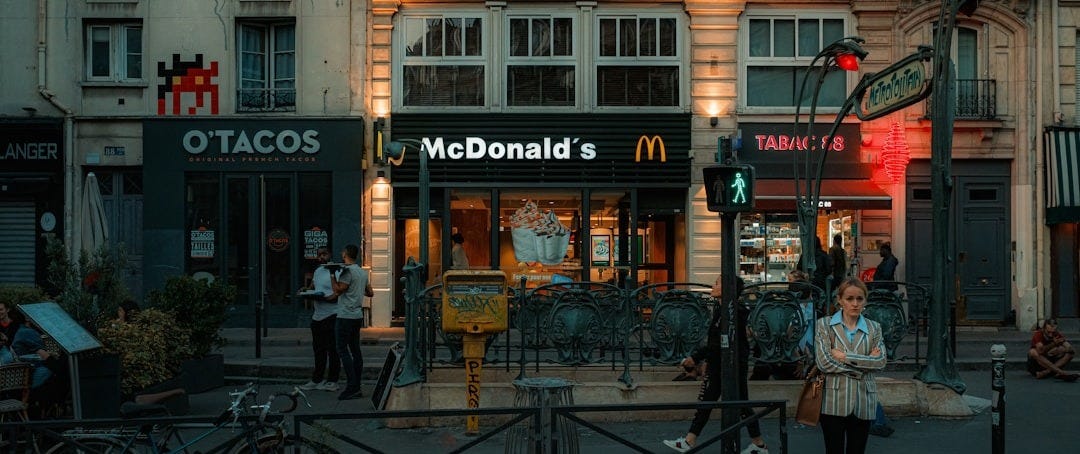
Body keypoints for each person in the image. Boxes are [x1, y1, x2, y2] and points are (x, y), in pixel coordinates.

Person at [663, 275, 769, 454]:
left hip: (729, 364)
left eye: (718, 282)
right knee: (714, 401)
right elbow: (717, 341)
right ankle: (690, 440)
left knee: (737, 403)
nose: (713, 285)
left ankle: (758, 445)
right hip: (722, 363)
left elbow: (721, 342)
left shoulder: (734, 311)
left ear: (727, 288)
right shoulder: (724, 309)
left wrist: (696, 358)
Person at [813, 277, 887, 454]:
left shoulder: (874, 328)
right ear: (840, 300)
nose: (855, 303)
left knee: (857, 450)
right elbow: (824, 362)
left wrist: (844, 356)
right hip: (833, 400)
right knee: (834, 450)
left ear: (865, 301)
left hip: (864, 400)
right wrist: (863, 364)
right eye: (849, 299)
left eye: (859, 299)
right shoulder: (824, 325)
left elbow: (881, 361)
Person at [330, 244, 374, 400]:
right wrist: (358, 289)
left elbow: (337, 290)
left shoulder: (347, 272)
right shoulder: (362, 273)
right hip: (357, 315)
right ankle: (357, 385)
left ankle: (352, 386)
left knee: (342, 349)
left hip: (345, 315)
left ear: (345, 254)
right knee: (355, 350)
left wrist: (332, 275)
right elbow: (370, 293)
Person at [299, 247, 342, 392]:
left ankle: (332, 380)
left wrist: (327, 298)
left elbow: (339, 292)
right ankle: (317, 379)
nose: (321, 257)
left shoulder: (337, 270)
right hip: (317, 315)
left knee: (332, 349)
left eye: (323, 254)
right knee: (318, 349)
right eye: (319, 255)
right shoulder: (317, 271)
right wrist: (304, 292)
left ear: (330, 254)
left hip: (332, 314)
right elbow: (311, 287)